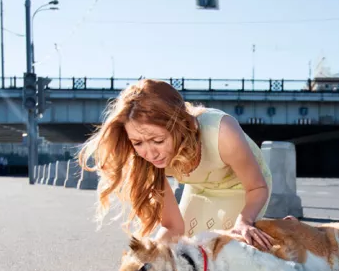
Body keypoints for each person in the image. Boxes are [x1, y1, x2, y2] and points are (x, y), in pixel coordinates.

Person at [78, 79, 274, 251]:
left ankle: (282, 231)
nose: (150, 153)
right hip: (200, 189)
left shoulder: (223, 131)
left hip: (246, 188)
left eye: (158, 140)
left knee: (223, 253)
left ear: (180, 125)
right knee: (187, 249)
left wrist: (245, 221)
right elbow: (173, 227)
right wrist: (146, 262)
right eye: (138, 143)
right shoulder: (144, 158)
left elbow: (257, 187)